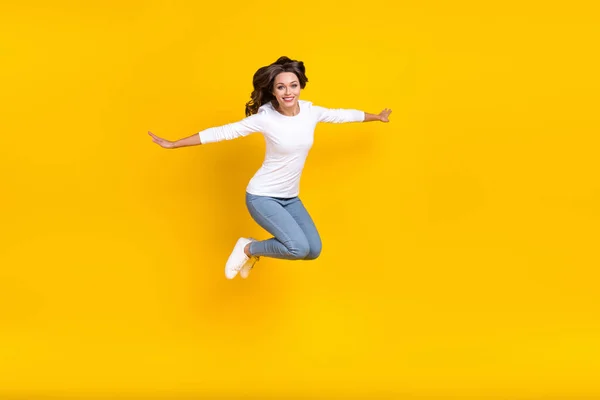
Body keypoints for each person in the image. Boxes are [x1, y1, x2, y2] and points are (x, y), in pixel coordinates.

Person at [148, 56, 392, 279]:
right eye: (281, 87)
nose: (288, 92)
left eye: (293, 85)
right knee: (297, 247)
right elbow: (223, 132)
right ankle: (247, 247)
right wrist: (174, 144)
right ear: (273, 92)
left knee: (313, 250)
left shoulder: (310, 112)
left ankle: (251, 249)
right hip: (262, 196)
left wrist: (377, 116)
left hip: (290, 198)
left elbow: (341, 115)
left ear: (300, 86)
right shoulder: (265, 119)